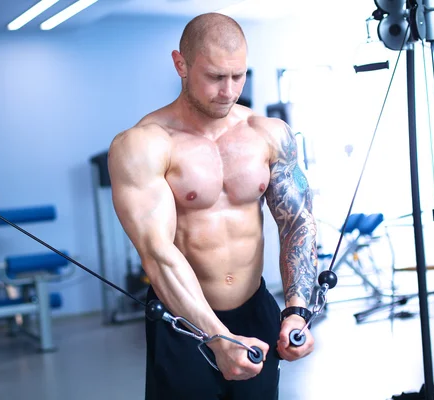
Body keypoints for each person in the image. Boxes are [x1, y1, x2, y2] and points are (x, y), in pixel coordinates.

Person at [107, 12, 317, 400]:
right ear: (180, 64)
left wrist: (296, 310)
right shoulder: (144, 144)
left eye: (238, 76)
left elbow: (297, 224)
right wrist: (216, 337)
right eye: (216, 77)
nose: (229, 90)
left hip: (256, 310)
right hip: (183, 320)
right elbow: (157, 254)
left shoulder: (267, 134)